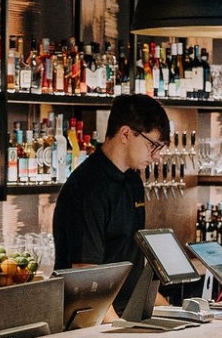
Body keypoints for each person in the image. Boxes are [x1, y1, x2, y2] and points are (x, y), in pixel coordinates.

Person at [52, 92, 170, 270]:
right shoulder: (87, 187)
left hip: (128, 290)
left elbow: (130, 254)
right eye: (153, 145)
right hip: (93, 289)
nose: (157, 157)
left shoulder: (133, 181)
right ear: (125, 134)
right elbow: (85, 272)